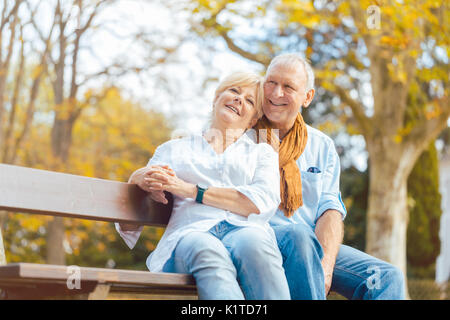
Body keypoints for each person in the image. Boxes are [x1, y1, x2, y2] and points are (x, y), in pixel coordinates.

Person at [115, 71, 291, 300]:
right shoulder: (173, 149)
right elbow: (129, 226)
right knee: (208, 251)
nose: (239, 99)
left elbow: (261, 202)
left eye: (249, 101)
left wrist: (189, 189)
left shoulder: (261, 153)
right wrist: (137, 180)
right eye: (234, 91)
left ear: (253, 120)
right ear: (216, 98)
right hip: (189, 235)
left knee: (256, 245)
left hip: (244, 230)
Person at [254, 53, 406, 300]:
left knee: (387, 278)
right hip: (259, 241)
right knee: (299, 237)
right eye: (271, 82)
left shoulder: (322, 146)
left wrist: (325, 264)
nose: (276, 93)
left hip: (311, 247)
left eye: (288, 86)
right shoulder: (242, 135)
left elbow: (330, 209)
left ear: (307, 97)